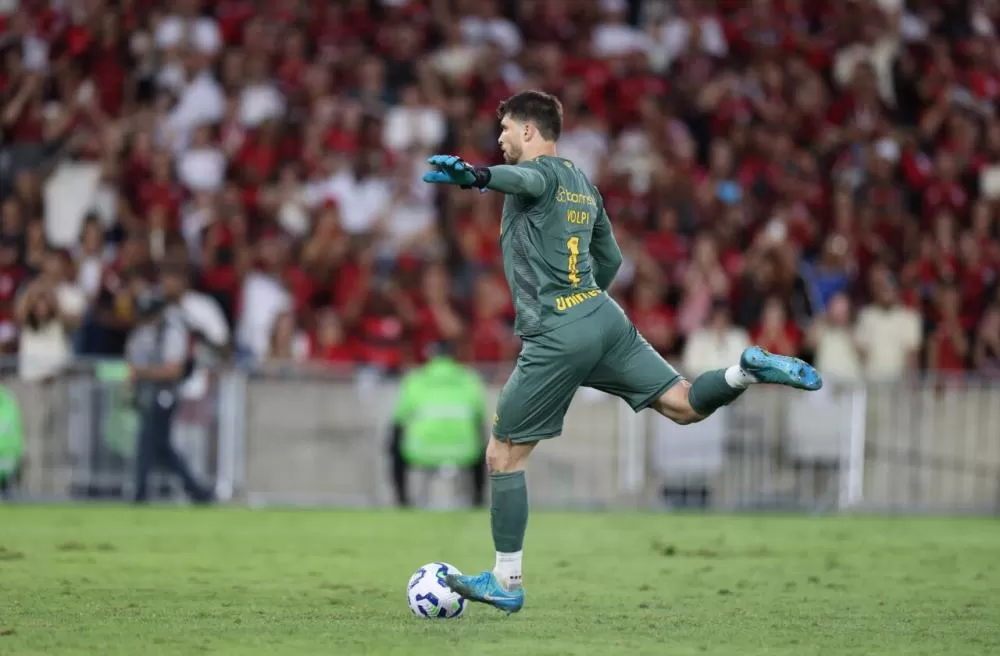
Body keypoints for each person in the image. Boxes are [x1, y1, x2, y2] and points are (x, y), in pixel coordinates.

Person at [421, 90, 823, 614]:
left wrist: (478, 177)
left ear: (529, 131)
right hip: (602, 315)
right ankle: (743, 372)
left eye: (506, 129)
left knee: (502, 456)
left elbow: (525, 181)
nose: (499, 138)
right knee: (683, 404)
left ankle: (506, 580)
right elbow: (609, 259)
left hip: (558, 333)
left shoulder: (536, 174)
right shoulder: (585, 188)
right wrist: (584, 301)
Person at [125, 285, 214, 504]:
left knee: (148, 442)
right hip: (147, 394)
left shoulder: (170, 332)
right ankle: (197, 491)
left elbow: (174, 369)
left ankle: (141, 494)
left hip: (165, 394)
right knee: (161, 447)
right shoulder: (142, 334)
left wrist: (141, 372)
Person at [388, 342, 487, 508]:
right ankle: (478, 500)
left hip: (421, 450)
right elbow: (479, 417)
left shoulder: (415, 379)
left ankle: (402, 500)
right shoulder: (470, 379)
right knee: (482, 444)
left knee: (395, 447)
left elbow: (399, 419)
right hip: (463, 451)